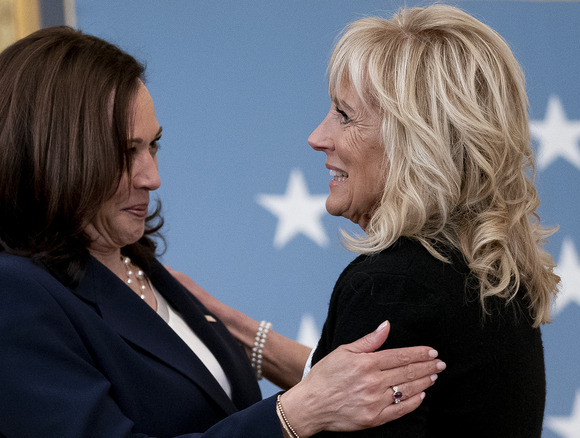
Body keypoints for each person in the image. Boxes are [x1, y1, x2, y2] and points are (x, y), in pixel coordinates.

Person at [0, 26, 446, 438]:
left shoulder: (137, 266)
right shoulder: (6, 298)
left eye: (153, 146)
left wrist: (265, 352)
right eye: (125, 152)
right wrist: (293, 415)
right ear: (52, 158)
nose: (152, 176)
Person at [176, 5, 560, 437]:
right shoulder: (490, 268)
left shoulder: (393, 286)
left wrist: (285, 417)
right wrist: (248, 339)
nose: (318, 137)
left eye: (344, 115)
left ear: (415, 141)